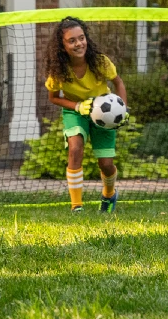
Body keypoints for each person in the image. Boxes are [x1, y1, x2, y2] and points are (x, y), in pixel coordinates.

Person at [44, 16, 128, 213]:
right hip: (76, 110)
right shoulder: (58, 71)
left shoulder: (100, 62)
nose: (78, 43)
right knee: (75, 148)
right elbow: (54, 98)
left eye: (81, 38)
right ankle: (77, 206)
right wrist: (77, 106)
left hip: (104, 112)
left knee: (106, 164)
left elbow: (119, 83)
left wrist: (123, 109)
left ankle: (109, 194)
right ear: (62, 45)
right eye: (71, 40)